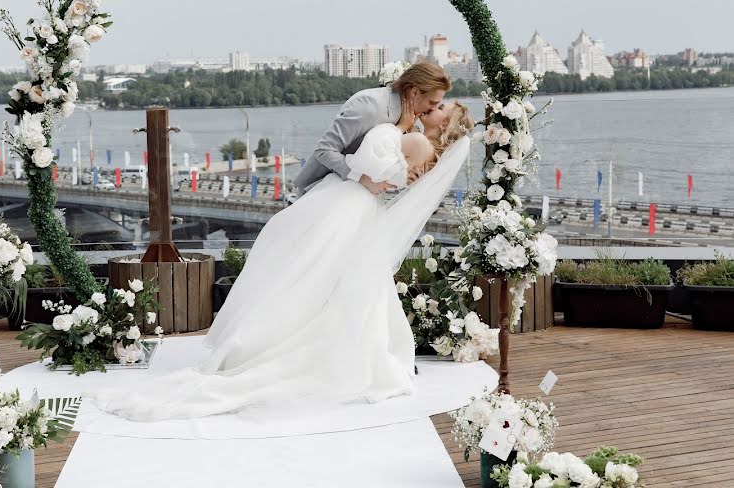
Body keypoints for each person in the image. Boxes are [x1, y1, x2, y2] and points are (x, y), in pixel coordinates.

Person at [93, 100, 474, 423]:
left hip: (351, 207)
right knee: (315, 277)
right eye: (437, 103)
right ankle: (289, 340)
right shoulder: (419, 143)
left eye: (442, 109)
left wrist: (393, 132)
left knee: (306, 273)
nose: (434, 108)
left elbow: (374, 165)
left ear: (448, 127)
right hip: (355, 209)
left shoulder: (418, 140)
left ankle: (272, 341)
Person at [292, 62, 451, 197]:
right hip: (319, 192)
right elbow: (324, 149)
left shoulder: (410, 120)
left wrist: (409, 175)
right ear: (414, 92)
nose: (433, 108)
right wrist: (362, 179)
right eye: (432, 102)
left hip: (355, 197)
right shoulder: (370, 106)